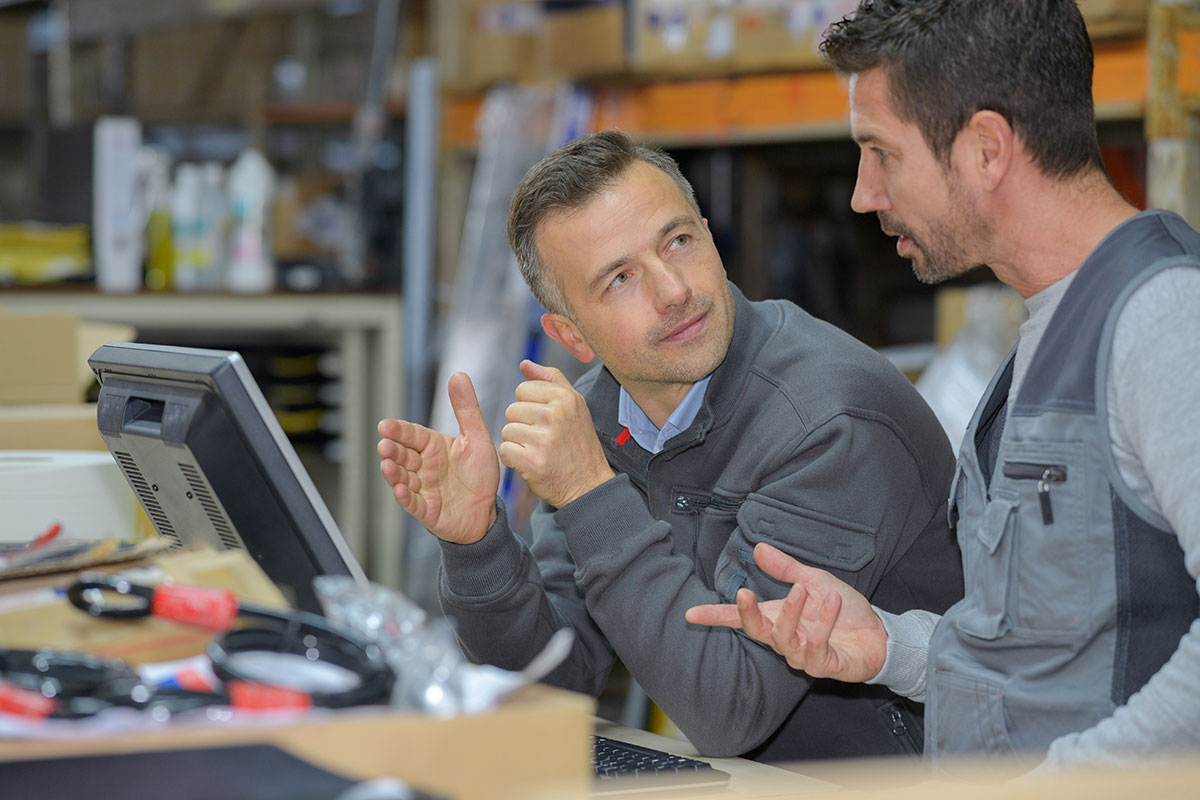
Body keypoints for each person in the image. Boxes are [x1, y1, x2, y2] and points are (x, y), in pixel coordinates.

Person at [687, 0, 1200, 775]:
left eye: (880, 152)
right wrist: (891, 648)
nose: (862, 193)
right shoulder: (1048, 331)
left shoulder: (1163, 320)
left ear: (986, 149)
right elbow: (1041, 656)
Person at [377, 130, 963, 762]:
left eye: (678, 242)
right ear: (571, 334)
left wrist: (590, 494)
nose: (674, 290)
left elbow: (729, 707)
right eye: (621, 279)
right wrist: (478, 545)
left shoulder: (830, 420)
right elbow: (550, 682)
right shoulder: (600, 413)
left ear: (710, 236)